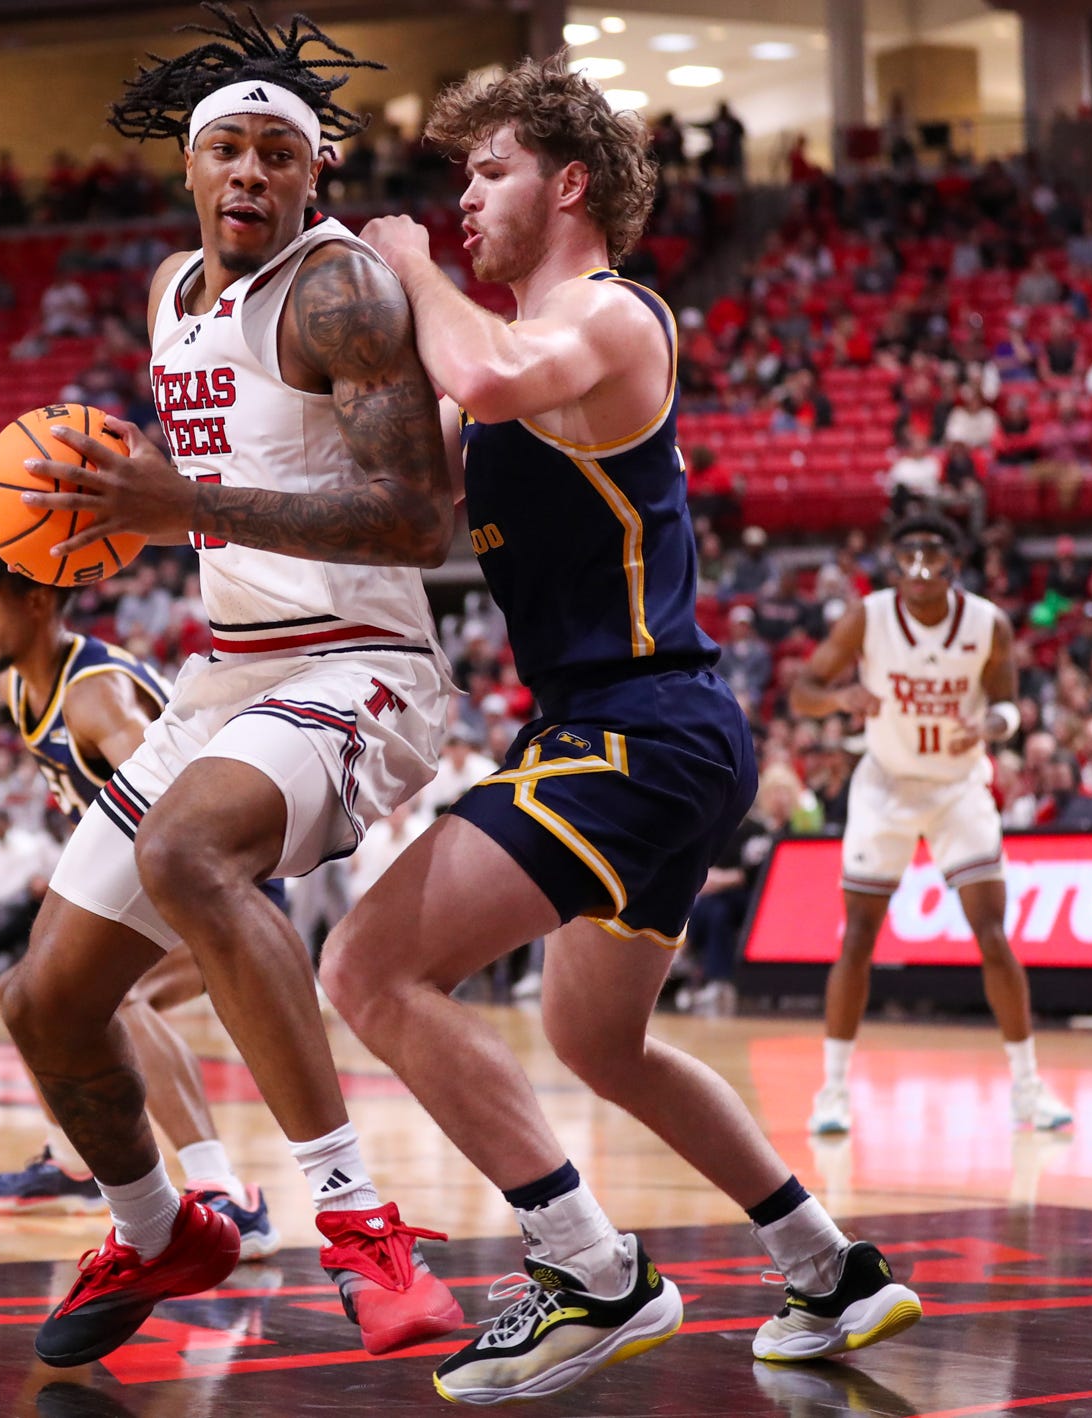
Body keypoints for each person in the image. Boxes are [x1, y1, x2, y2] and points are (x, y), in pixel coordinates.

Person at [326, 55, 921, 1405]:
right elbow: (409, 486)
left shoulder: (609, 318)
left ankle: (590, 1271)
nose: (461, 202)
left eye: (488, 171)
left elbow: (476, 371)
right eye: (457, 181)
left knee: (366, 966)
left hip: (643, 728)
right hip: (647, 734)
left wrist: (412, 265)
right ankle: (832, 1267)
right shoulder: (504, 367)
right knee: (601, 1043)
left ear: (570, 180)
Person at [0, 6, 461, 1368]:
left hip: (359, 665)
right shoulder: (168, 291)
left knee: (189, 847)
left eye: (278, 154)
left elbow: (413, 516)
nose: (251, 175)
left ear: (316, 177)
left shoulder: (339, 293)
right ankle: (158, 1225)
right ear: (190, 172)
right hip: (231, 675)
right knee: (47, 1001)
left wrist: (178, 498)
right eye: (228, 153)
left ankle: (359, 1222)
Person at [0, 538, 278, 1259]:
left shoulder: (92, 694)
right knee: (36, 991)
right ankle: (76, 1162)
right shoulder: (22, 687)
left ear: (37, 601)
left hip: (220, 871)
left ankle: (225, 1192)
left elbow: (176, 814)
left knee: (109, 997)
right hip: (159, 876)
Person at [792, 514, 1072, 1135]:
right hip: (886, 782)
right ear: (893, 564)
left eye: (931, 553)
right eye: (907, 554)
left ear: (953, 563)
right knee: (858, 936)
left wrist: (993, 727)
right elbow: (803, 691)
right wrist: (841, 700)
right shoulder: (868, 615)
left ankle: (1027, 1087)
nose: (919, 566)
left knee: (991, 933)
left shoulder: (987, 623)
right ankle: (832, 1092)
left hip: (956, 787)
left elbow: (1008, 704)